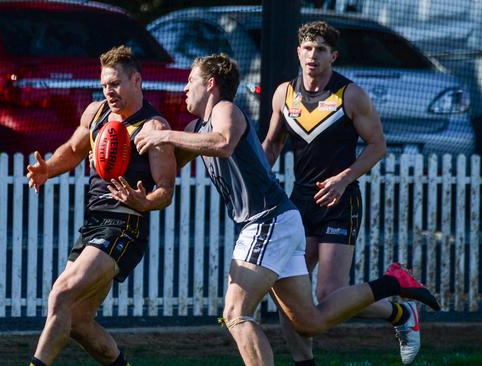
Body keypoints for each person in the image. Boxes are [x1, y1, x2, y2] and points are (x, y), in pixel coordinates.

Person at [134, 53, 440, 366]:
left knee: (235, 313)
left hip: (266, 221)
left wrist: (164, 134)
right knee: (309, 321)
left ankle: (395, 288)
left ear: (210, 84)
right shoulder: (196, 127)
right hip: (279, 222)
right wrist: (128, 167)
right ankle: (394, 284)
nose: (185, 88)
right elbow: (168, 169)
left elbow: (223, 142)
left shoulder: (225, 110)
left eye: (190, 81)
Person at [261, 21, 419, 365]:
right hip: (298, 204)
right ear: (298, 52)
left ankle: (400, 313)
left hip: (339, 201)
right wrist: (255, 178)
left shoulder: (350, 94)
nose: (312, 55)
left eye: (320, 49)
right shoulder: (282, 94)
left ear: (333, 56)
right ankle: (305, 362)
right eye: (306, 48)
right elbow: (272, 144)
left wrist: (343, 179)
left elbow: (378, 146)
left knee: (328, 293)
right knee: (288, 293)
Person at [26, 45, 176, 366]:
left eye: (116, 84)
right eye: (105, 84)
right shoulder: (95, 113)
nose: (109, 91)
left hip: (125, 226)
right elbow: (73, 149)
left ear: (136, 80)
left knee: (61, 294)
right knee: (78, 320)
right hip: (93, 224)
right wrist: (47, 170)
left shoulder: (153, 128)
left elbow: (165, 190)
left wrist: (143, 201)